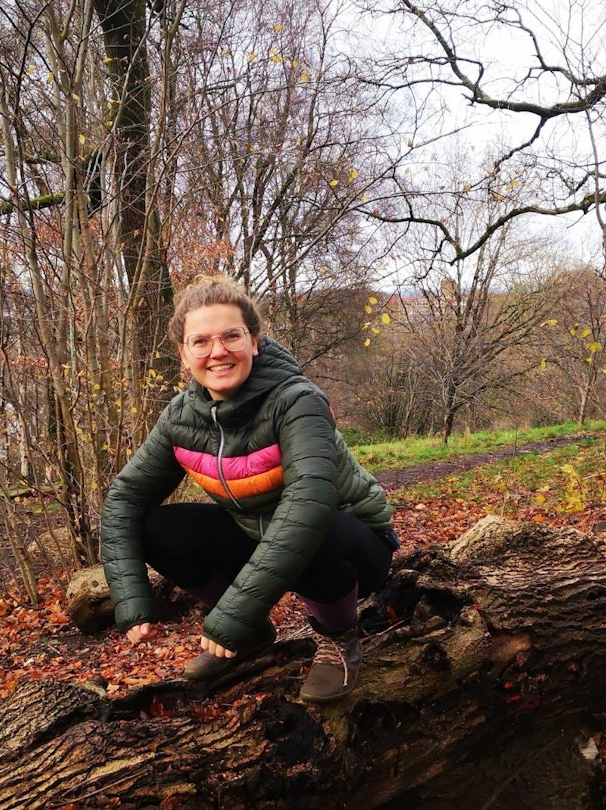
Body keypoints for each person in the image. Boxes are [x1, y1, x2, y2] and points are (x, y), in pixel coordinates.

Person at [101, 275, 397, 703]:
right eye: (200, 341)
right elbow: (124, 498)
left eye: (231, 336)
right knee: (157, 527)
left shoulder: (297, 400)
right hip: (260, 534)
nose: (217, 351)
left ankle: (339, 636)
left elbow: (307, 503)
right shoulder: (180, 417)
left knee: (307, 523)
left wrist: (233, 614)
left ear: (254, 341)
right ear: (184, 355)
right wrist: (131, 602)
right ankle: (254, 636)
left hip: (352, 543)